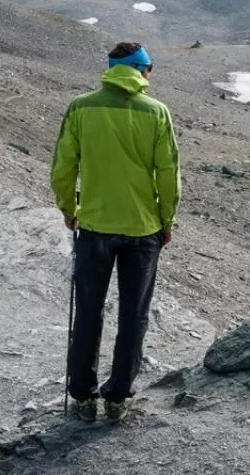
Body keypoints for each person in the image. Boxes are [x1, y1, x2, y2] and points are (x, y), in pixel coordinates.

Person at [50, 41, 181, 423]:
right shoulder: (156, 112)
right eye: (150, 68)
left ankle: (82, 396)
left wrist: (68, 209)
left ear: (111, 68)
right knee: (133, 314)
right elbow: (169, 175)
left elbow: (62, 167)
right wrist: (166, 222)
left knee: (88, 311)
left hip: (93, 226)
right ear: (142, 69)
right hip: (143, 231)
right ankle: (118, 397)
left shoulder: (81, 107)